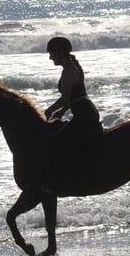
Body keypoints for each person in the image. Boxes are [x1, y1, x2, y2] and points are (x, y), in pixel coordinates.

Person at [43, 37, 103, 168]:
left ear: (60, 53)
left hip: (84, 115)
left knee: (59, 141)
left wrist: (49, 111)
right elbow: (74, 97)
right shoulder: (72, 67)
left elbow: (65, 98)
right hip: (84, 111)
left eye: (51, 54)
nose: (50, 58)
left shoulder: (69, 71)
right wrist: (62, 111)